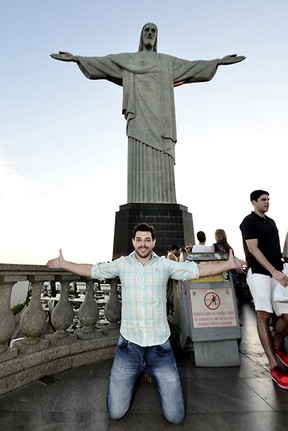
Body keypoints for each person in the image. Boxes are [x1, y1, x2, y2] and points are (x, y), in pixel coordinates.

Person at [47, 222, 242, 424]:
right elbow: (93, 270)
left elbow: (196, 271)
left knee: (175, 417)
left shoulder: (165, 265)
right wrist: (64, 263)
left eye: (147, 240)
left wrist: (228, 264)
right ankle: (140, 375)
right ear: (133, 242)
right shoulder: (122, 264)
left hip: (160, 349)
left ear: (154, 242)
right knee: (115, 412)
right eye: (139, 240)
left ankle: (152, 375)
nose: (143, 244)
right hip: (129, 348)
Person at [51, 23, 245, 204]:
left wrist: (218, 62)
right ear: (141, 36)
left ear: (157, 37)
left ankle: (165, 202)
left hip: (161, 123)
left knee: (164, 162)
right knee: (138, 161)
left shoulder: (166, 62)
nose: (150, 33)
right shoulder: (129, 60)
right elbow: (104, 63)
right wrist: (77, 58)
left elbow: (192, 67)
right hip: (138, 120)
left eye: (153, 31)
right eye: (147, 30)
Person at [239, 190, 288, 390]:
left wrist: (281, 269)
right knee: (263, 315)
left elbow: (276, 250)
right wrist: (273, 271)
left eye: (269, 199)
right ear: (254, 202)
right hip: (260, 273)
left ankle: (276, 344)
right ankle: (274, 366)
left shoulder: (272, 222)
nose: (267, 202)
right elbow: (253, 249)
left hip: (277, 272)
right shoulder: (248, 222)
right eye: (263, 200)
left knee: (286, 316)